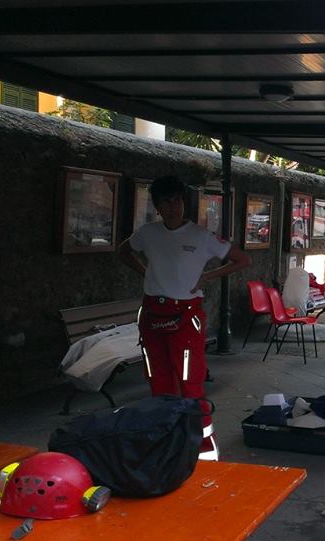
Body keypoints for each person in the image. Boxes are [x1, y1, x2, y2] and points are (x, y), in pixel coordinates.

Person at [118, 175, 250, 461]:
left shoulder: (200, 236)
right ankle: (164, 440)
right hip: (153, 313)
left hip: (186, 315)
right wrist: (144, 272)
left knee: (190, 382)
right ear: (157, 206)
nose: (174, 206)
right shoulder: (148, 233)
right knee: (158, 381)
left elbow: (241, 259)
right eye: (167, 201)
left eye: (178, 200)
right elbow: (123, 250)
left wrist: (209, 276)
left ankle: (204, 448)